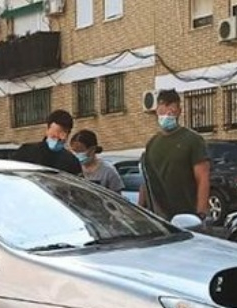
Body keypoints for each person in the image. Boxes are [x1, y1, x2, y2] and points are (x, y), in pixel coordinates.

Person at [138, 89, 210, 220]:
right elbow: (146, 180)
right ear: (157, 110)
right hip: (158, 217)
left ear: (179, 111)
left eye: (172, 108)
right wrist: (140, 210)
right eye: (163, 107)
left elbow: (203, 178)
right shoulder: (152, 144)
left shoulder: (192, 140)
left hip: (187, 214)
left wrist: (201, 212)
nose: (167, 113)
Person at [13, 110, 81, 175]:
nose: (61, 137)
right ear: (47, 129)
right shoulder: (26, 152)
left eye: (65, 133)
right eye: (55, 136)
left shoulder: (71, 161)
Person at [69, 130, 124, 194]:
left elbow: (118, 198)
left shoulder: (108, 171)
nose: (76, 154)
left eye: (80, 151)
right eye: (74, 151)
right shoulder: (73, 168)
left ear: (92, 149)